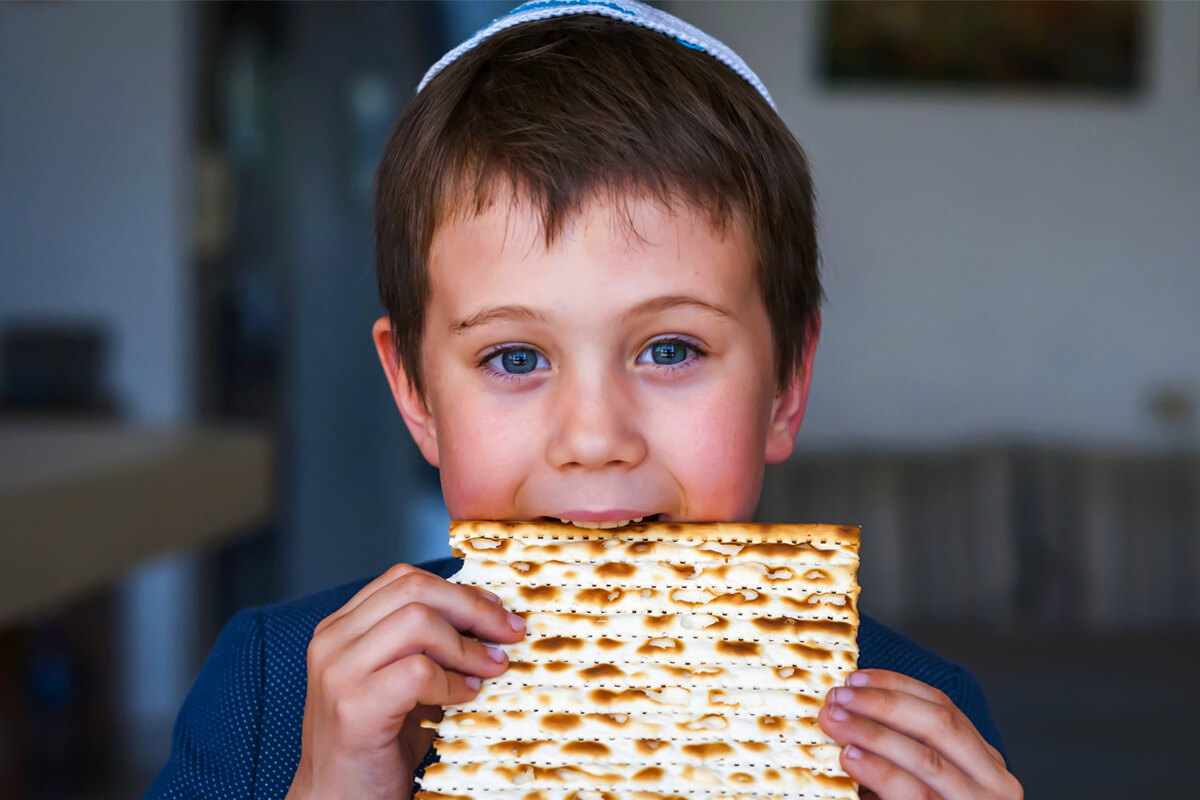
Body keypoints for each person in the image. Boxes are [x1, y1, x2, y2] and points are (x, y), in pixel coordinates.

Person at [146, 2, 1022, 799]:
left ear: (786, 385)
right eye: (516, 356)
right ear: (416, 395)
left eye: (671, 350)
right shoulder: (272, 695)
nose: (596, 437)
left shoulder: (918, 740)